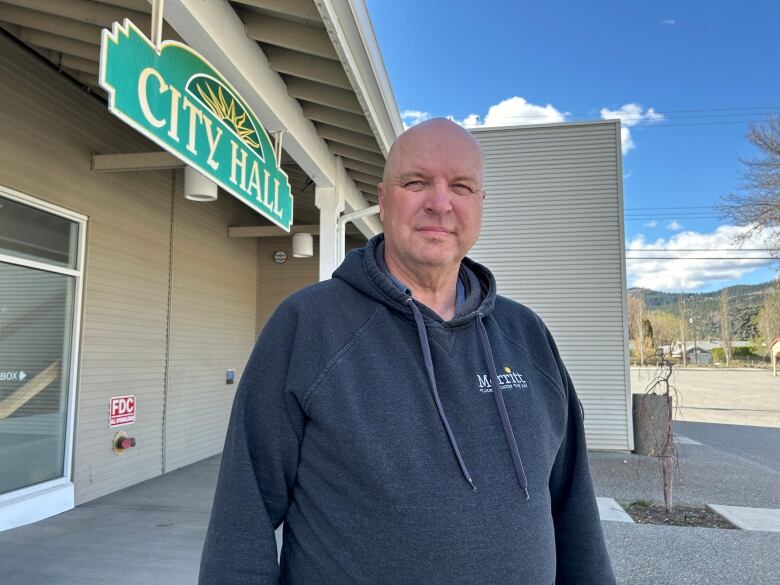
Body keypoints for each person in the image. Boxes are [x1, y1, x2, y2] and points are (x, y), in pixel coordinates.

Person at [198, 118, 616, 584]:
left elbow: (574, 512)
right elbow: (243, 515)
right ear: (382, 198)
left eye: (461, 186)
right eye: (416, 182)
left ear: (481, 204)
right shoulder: (308, 326)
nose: (440, 203)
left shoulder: (527, 335)